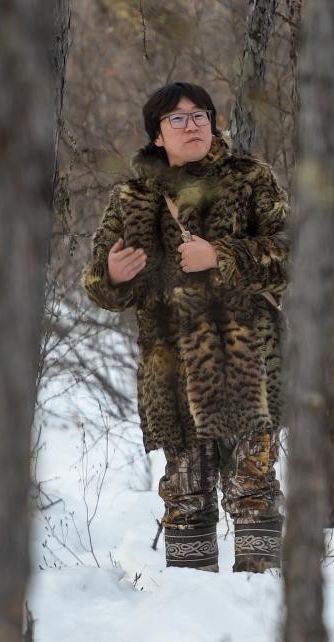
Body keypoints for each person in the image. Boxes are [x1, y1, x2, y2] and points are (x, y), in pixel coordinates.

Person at [83, 82, 290, 573]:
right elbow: (97, 283)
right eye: (177, 119)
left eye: (201, 115)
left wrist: (222, 256)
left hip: (246, 361)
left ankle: (261, 600)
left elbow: (292, 249)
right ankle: (190, 610)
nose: (192, 125)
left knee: (253, 487)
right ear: (157, 135)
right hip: (171, 368)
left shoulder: (250, 179)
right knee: (185, 494)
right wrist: (112, 277)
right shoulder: (132, 199)